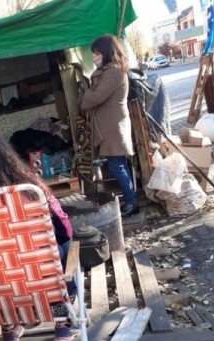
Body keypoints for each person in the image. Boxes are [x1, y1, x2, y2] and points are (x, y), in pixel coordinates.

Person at [0, 134, 78, 341]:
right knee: (66, 248)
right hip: (38, 270)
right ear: (10, 159)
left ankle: (9, 326)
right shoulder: (32, 191)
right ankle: (62, 320)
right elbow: (65, 230)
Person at [81, 34, 139, 218]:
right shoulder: (110, 70)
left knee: (116, 167)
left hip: (114, 126)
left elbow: (97, 96)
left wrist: (85, 97)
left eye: (97, 53)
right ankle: (131, 200)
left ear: (105, 52)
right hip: (111, 125)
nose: (94, 57)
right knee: (118, 165)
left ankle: (132, 202)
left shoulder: (113, 70)